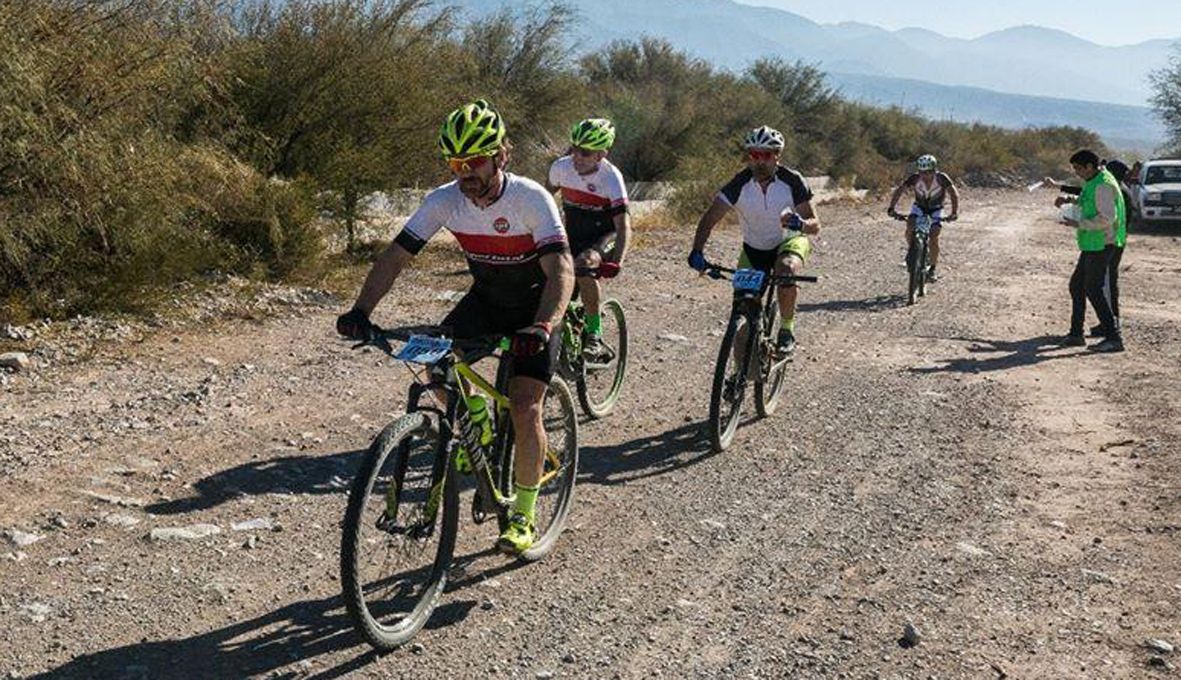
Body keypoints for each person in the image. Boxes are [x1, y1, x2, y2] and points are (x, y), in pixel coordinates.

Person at [335, 99, 575, 554]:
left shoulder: (530, 198)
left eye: (475, 161)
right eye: (456, 163)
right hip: (485, 300)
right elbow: (395, 257)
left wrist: (544, 326)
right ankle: (476, 420)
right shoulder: (444, 200)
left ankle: (523, 515)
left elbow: (561, 270)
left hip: (536, 307)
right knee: (436, 366)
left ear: (502, 155)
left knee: (525, 406)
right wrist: (361, 311)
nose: (466, 173)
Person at [688, 125, 821, 356]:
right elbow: (709, 218)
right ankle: (740, 370)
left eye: (766, 155)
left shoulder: (792, 180)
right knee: (743, 304)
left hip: (788, 241)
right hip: (754, 248)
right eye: (754, 155)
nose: (759, 161)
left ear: (777, 156)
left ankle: (786, 330)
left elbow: (815, 225)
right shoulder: (739, 184)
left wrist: (800, 223)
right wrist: (696, 251)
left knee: (786, 269)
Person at [546, 118, 631, 361]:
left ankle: (594, 333)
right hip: (573, 233)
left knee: (584, 265)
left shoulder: (611, 177)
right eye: (574, 149)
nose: (577, 157)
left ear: (602, 154)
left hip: (604, 236)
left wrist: (617, 261)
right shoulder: (560, 168)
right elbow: (542, 200)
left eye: (585, 152)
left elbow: (623, 225)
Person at [1042, 158, 1130, 337]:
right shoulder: (1101, 183)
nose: (1077, 172)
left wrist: (1080, 223)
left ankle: (1112, 331)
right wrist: (1067, 196)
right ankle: (1080, 333)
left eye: (1078, 168)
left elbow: (1106, 217)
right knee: (1081, 286)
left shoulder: (1107, 186)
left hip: (1105, 242)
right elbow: (1086, 195)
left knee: (1100, 287)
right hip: (1096, 242)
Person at [886, 154, 960, 282]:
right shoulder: (914, 178)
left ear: (934, 170)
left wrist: (954, 212)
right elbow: (900, 190)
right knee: (910, 225)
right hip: (919, 207)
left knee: (934, 235)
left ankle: (932, 269)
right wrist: (891, 208)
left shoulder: (942, 178)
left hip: (936, 209)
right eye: (922, 172)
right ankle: (913, 252)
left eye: (929, 172)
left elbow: (953, 194)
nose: (925, 175)